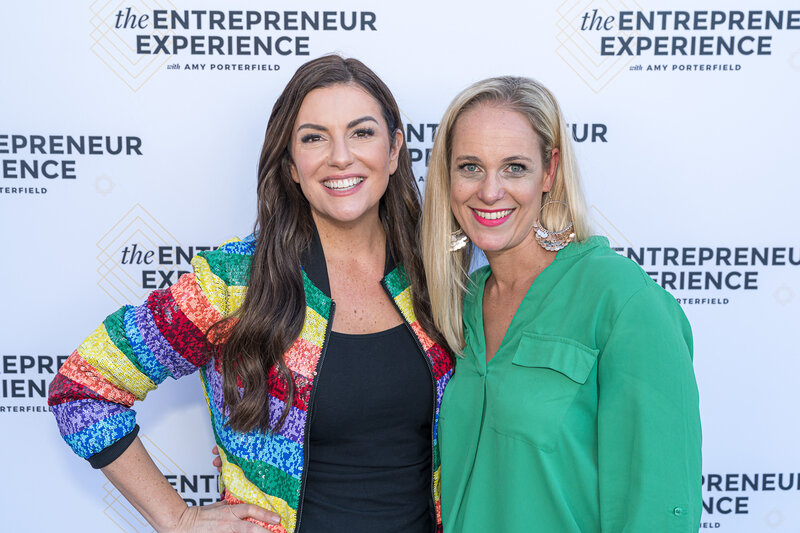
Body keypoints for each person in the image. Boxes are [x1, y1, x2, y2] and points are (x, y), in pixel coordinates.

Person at [48, 55, 453, 533]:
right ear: (292, 167)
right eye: (314, 138)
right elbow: (82, 389)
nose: (340, 156)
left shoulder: (441, 271)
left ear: (393, 151)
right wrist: (178, 519)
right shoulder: (234, 282)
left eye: (362, 133)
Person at [421, 76, 702, 532]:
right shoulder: (463, 307)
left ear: (549, 171)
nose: (490, 191)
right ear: (447, 177)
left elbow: (660, 508)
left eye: (514, 167)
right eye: (470, 167)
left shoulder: (622, 300)